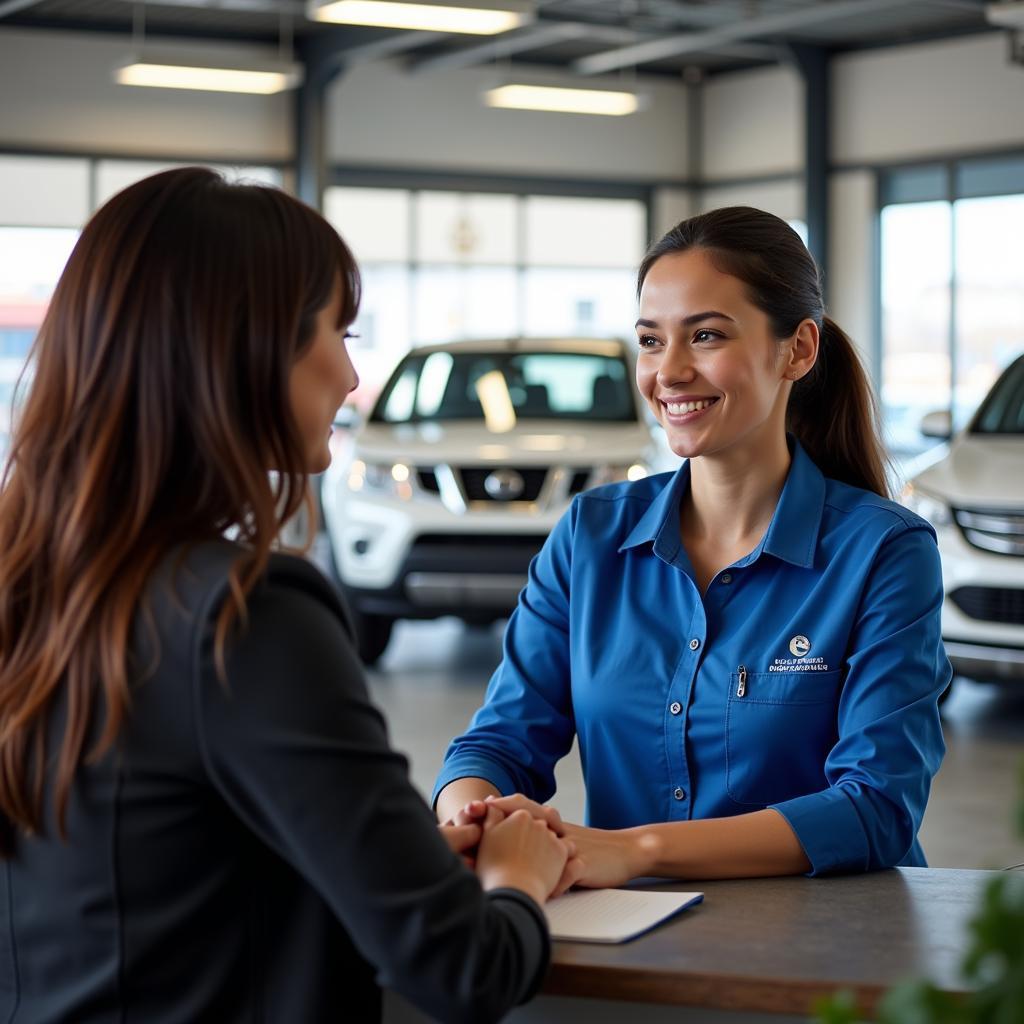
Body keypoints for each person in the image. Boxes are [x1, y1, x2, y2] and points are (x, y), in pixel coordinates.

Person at [0, 167, 580, 1024]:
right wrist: (519, 880)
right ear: (244, 347)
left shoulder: (32, 584)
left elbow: (157, 857)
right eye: (336, 331)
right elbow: (464, 968)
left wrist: (397, 858)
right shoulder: (248, 615)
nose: (350, 376)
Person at [435, 206, 950, 886]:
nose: (669, 372)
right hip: (628, 933)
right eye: (651, 341)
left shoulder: (884, 553)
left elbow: (878, 806)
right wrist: (471, 822)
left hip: (826, 949)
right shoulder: (591, 536)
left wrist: (636, 851)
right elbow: (499, 742)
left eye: (705, 336)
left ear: (797, 348)